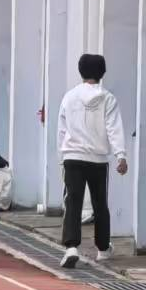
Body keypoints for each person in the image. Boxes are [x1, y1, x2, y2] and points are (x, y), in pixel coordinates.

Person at [57, 52, 128, 268]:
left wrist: (62, 155)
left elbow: (62, 128)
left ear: (80, 71)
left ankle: (71, 247)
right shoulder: (108, 98)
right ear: (102, 72)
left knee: (73, 202)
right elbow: (113, 128)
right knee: (100, 203)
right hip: (97, 159)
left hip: (73, 156)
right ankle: (103, 248)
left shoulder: (69, 97)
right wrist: (121, 155)